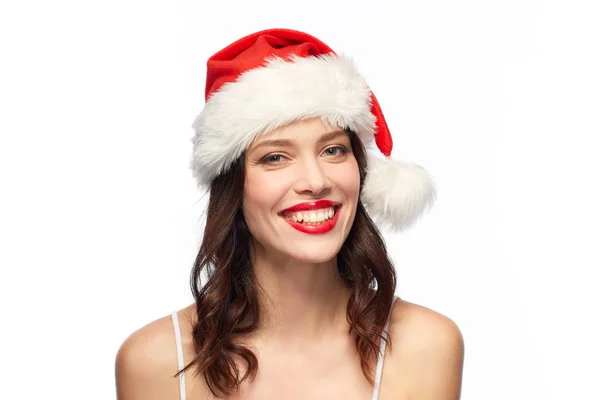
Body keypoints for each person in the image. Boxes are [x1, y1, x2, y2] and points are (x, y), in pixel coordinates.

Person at [115, 28, 464, 399]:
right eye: (275, 157)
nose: (315, 181)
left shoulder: (427, 345)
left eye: (333, 151)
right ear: (233, 186)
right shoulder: (155, 361)